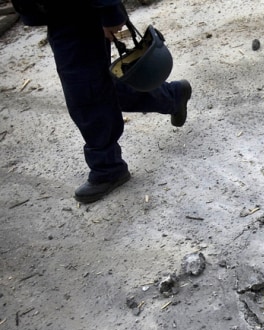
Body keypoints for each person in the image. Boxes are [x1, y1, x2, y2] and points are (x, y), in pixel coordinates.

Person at [12, 0, 192, 203]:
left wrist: (109, 10)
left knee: (84, 92)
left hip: (77, 11)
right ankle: (170, 97)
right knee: (95, 86)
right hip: (59, 12)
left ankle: (107, 167)